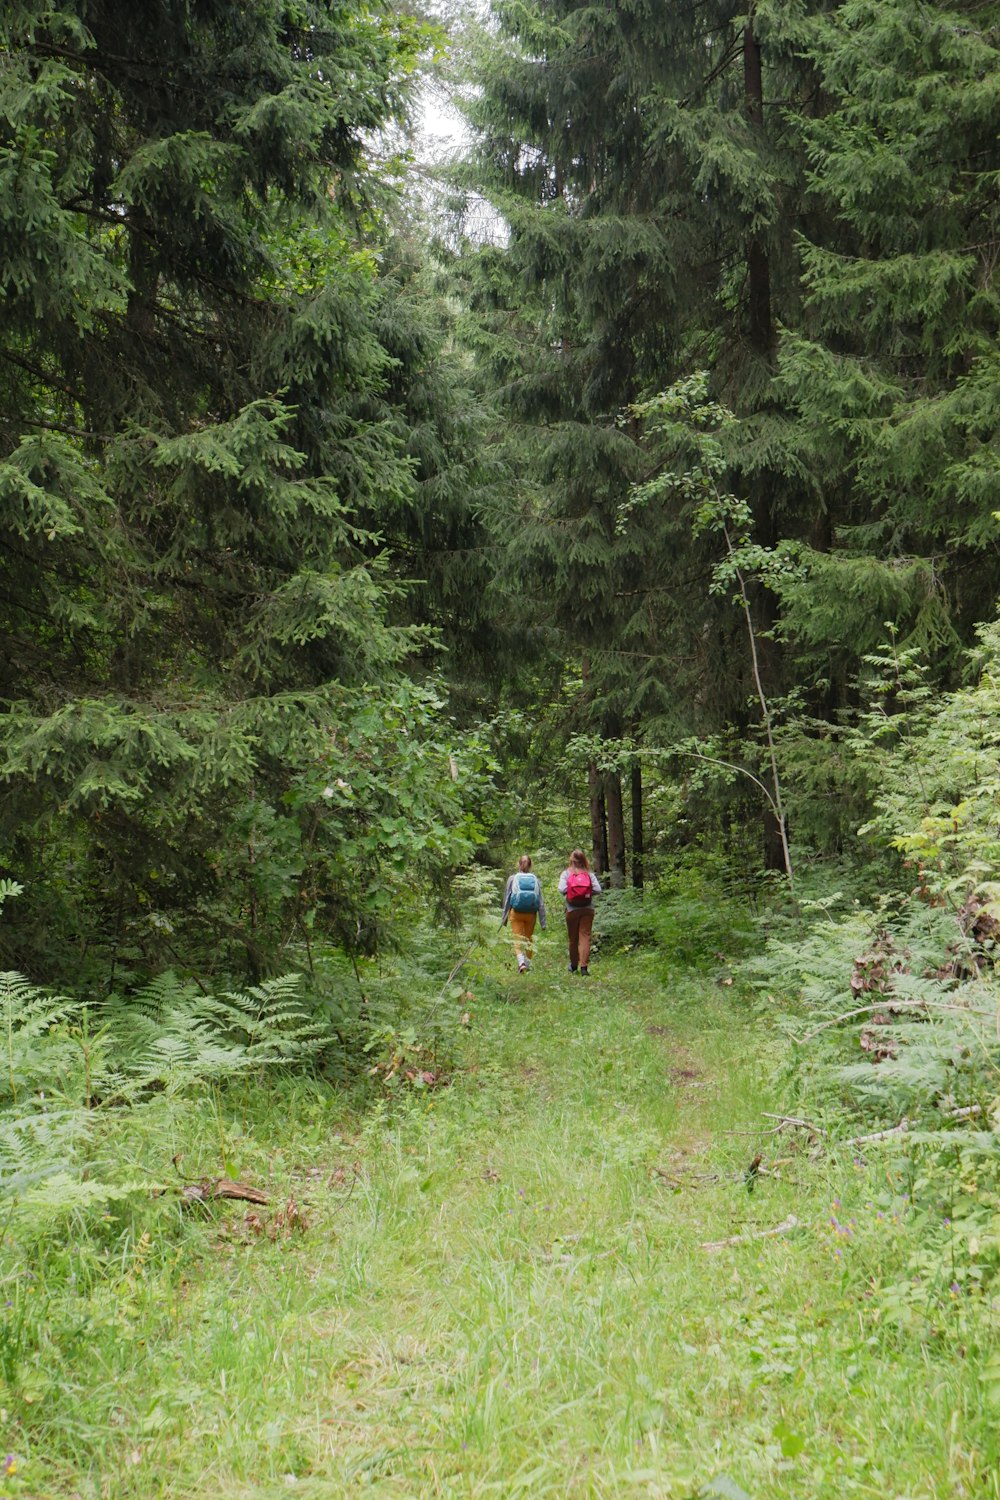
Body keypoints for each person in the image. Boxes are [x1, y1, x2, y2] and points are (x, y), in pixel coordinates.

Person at [558, 849, 601, 975]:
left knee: (573, 938)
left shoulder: (566, 873)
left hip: (572, 909)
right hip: (588, 908)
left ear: (571, 860)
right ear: (584, 860)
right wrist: (586, 892)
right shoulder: (589, 874)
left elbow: (561, 889)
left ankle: (573, 965)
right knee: (585, 937)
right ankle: (584, 968)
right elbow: (598, 889)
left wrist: (572, 892)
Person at [501, 855, 546, 973]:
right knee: (528, 938)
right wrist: (543, 922)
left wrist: (504, 919)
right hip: (531, 914)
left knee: (517, 938)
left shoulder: (512, 878)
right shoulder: (535, 879)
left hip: (516, 913)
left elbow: (507, 899)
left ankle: (521, 963)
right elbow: (540, 901)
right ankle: (528, 964)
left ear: (518, 864)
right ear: (531, 865)